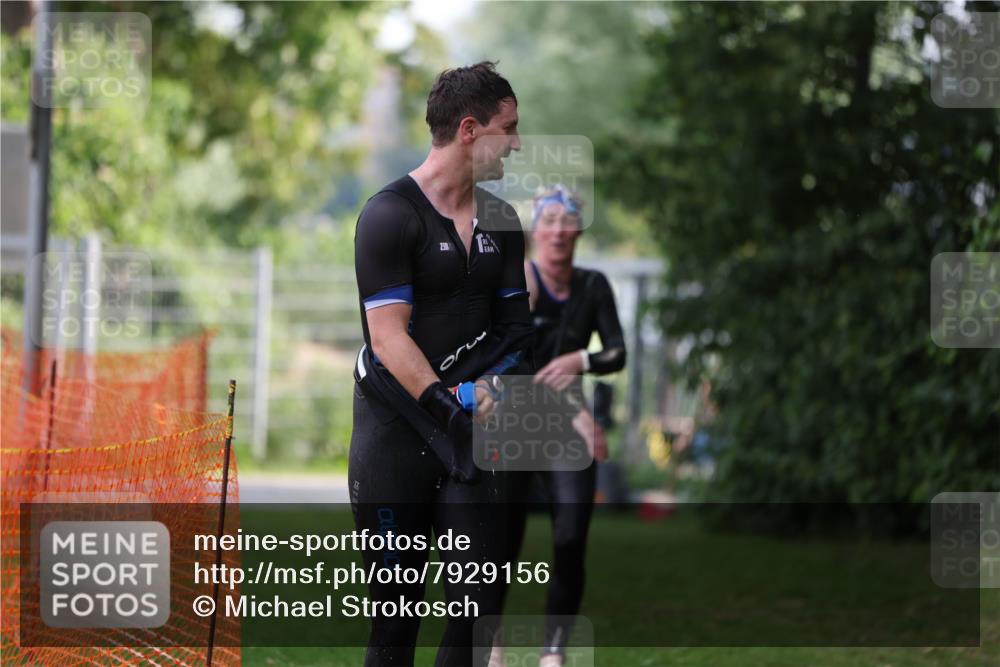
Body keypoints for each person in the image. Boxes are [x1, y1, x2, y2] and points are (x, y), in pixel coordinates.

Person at [349, 62, 532, 667]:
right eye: (511, 128)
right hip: (396, 434)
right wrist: (445, 411)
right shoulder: (388, 215)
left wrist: (472, 403)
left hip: (472, 430)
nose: (520, 142)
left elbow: (516, 333)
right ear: (471, 130)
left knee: (476, 614)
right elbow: (388, 339)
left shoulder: (503, 223)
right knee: (395, 622)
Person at [498, 185, 626, 667]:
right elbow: (507, 358)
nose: (556, 232)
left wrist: (578, 358)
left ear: (577, 230)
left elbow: (617, 353)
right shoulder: (518, 283)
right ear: (536, 230)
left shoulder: (593, 287)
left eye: (565, 222)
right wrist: (575, 409)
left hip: (567, 436)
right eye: (547, 222)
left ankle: (553, 651)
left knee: (571, 538)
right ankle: (493, 645)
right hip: (513, 425)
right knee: (501, 543)